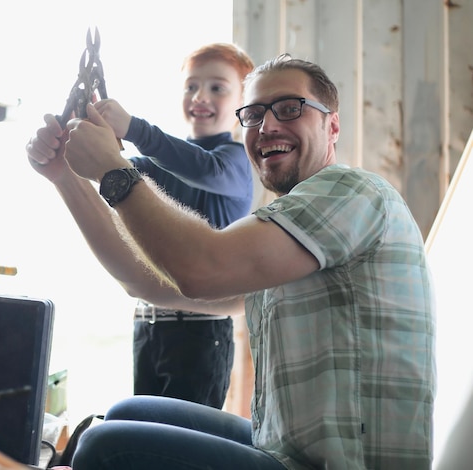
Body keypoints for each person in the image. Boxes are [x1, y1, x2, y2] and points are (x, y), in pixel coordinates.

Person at [28, 53, 436, 469]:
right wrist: (65, 176)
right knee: (126, 413)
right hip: (282, 449)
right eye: (254, 114)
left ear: (332, 125)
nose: (268, 126)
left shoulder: (351, 191)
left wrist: (114, 169)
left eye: (290, 108)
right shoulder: (289, 231)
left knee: (106, 445)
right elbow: (146, 282)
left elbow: (201, 270)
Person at [29, 43, 255, 409]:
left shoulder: (236, 161)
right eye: (191, 86)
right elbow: (112, 171)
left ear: (243, 105)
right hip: (148, 323)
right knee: (145, 435)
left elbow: (204, 169)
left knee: (177, 450)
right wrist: (64, 150)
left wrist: (135, 128)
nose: (200, 96)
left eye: (217, 87)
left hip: (201, 330)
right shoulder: (157, 163)